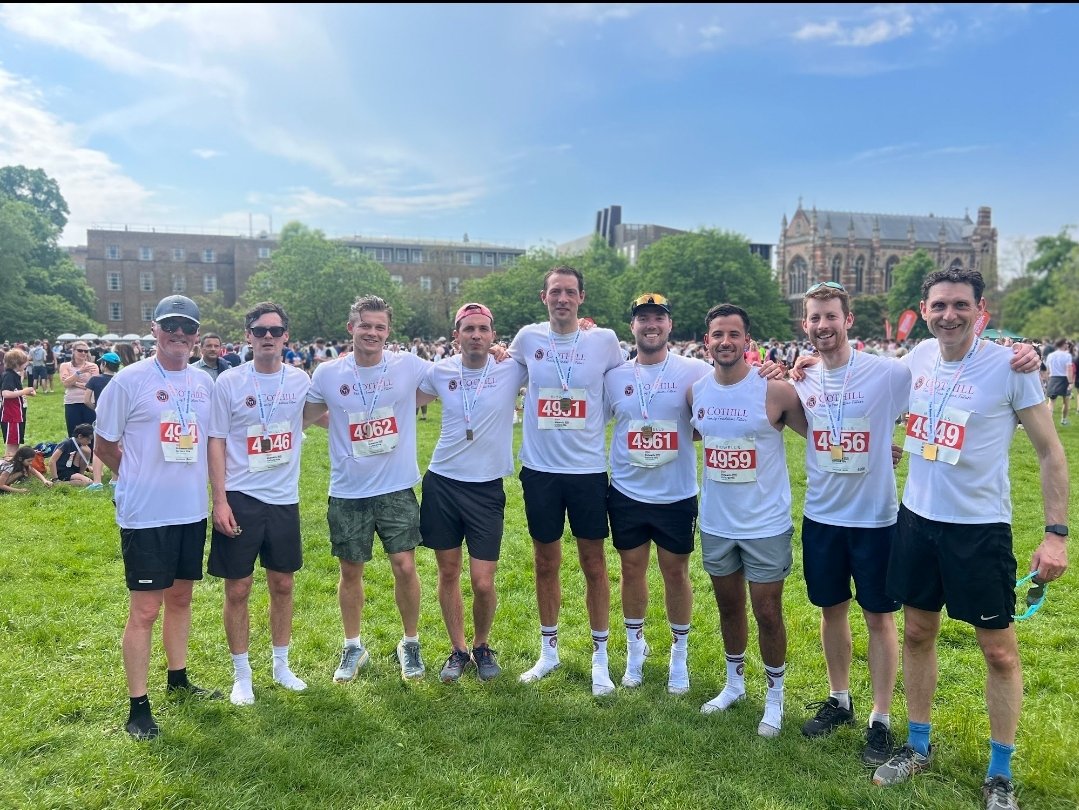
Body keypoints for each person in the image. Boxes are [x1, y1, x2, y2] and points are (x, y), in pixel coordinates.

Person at [872, 268, 1068, 810]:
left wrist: (1056, 536)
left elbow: (1051, 452)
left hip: (979, 530)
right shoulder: (917, 359)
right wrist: (805, 363)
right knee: (916, 633)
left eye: (961, 305)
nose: (949, 314)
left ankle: (999, 771)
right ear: (925, 308)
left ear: (980, 309)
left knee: (999, 651)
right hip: (916, 519)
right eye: (940, 305)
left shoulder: (1010, 365)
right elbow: (862, 380)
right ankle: (917, 745)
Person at [791, 281, 909, 765]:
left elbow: (938, 380)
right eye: (815, 318)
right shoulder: (803, 378)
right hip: (822, 514)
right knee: (831, 610)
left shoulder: (887, 373)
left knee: (879, 617)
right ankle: (839, 700)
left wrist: (1020, 355)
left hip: (876, 518)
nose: (823, 326)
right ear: (806, 325)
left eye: (831, 317)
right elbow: (806, 424)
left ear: (848, 320)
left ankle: (880, 719)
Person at [94, 294, 221, 741]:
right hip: (146, 515)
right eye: (172, 327)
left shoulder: (205, 383)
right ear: (155, 329)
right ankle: (138, 705)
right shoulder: (128, 381)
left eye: (188, 328)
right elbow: (105, 445)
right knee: (145, 609)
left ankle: (179, 678)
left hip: (190, 510)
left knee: (182, 599)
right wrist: (135, 477)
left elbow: (210, 442)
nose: (180, 336)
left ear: (197, 334)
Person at [689, 303, 807, 737]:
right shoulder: (696, 390)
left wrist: (873, 451)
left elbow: (818, 434)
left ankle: (775, 696)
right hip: (717, 521)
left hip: (765, 524)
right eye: (717, 335)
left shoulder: (774, 391)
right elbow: (692, 433)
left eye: (733, 334)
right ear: (707, 343)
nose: (725, 342)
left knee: (768, 611)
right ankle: (734, 684)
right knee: (728, 606)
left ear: (747, 342)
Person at [509, 265, 625, 696]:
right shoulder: (528, 338)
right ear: (544, 297)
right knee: (545, 562)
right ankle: (549, 650)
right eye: (554, 291)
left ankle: (600, 658)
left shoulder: (604, 340)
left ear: (581, 298)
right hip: (540, 471)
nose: (562, 298)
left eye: (569, 292)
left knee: (594, 564)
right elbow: (501, 368)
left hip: (587, 471)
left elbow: (623, 385)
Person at [303, 295, 430, 682]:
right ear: (351, 328)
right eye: (365, 325)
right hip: (349, 489)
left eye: (380, 327)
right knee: (351, 570)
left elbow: (450, 380)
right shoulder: (327, 373)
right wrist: (341, 424)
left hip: (396, 486)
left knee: (404, 566)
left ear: (388, 331)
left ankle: (410, 642)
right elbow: (304, 417)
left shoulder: (409, 365)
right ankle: (353, 646)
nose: (372, 332)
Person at [604, 293, 713, 694]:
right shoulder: (615, 375)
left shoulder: (695, 370)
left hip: (676, 493)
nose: (651, 325)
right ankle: (636, 651)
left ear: (669, 326)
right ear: (632, 327)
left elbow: (714, 415)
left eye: (658, 319)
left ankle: (678, 655)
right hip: (628, 492)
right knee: (631, 571)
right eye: (643, 319)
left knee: (675, 573)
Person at [208, 302, 314, 705]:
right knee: (238, 588)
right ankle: (241, 674)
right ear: (248, 336)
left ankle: (281, 665)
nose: (267, 337)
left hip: (284, 498)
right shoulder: (230, 382)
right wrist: (219, 500)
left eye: (275, 330)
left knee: (283, 583)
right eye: (259, 331)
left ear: (287, 336)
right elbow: (215, 440)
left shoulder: (301, 380)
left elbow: (332, 410)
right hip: (240, 496)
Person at [417, 303, 526, 682]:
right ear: (456, 336)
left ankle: (482, 644)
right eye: (468, 329)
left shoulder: (512, 368)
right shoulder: (439, 371)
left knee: (482, 580)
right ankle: (458, 650)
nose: (476, 335)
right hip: (442, 482)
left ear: (494, 336)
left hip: (486, 488)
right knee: (448, 573)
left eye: (483, 329)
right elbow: (397, 397)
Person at [59, 341, 99, 436]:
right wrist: (79, 372)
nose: (83, 353)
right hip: (72, 402)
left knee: (90, 434)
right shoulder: (65, 365)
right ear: (73, 351)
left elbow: (94, 385)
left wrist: (73, 382)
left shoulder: (93, 366)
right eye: (80, 350)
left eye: (86, 351)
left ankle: (89, 451)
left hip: (89, 402)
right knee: (74, 433)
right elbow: (65, 384)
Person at [2, 349, 35, 459]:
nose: (27, 364)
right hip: (12, 416)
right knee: (12, 444)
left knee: (15, 442)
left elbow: (14, 391)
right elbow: (6, 393)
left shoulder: (14, 375)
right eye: (25, 361)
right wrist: (24, 391)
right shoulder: (8, 376)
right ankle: (8, 468)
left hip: (17, 415)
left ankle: (13, 466)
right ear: (17, 363)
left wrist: (26, 392)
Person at [48, 422, 95, 487]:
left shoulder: (80, 444)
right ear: (80, 436)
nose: (89, 442)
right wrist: (55, 479)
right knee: (88, 482)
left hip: (72, 469)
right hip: (63, 471)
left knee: (87, 450)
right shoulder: (66, 444)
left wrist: (88, 469)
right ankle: (59, 483)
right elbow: (52, 461)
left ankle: (80, 475)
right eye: (88, 439)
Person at [1044, 338, 1073, 426]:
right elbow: (1068, 369)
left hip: (1053, 378)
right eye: (1066, 343)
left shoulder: (1051, 355)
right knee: (1066, 401)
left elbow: (1047, 370)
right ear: (1063, 344)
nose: (1067, 345)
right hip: (1064, 379)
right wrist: (1070, 382)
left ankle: (1048, 423)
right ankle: (1064, 420)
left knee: (1051, 402)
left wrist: (1047, 381)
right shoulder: (1067, 355)